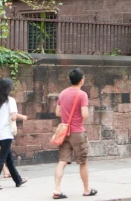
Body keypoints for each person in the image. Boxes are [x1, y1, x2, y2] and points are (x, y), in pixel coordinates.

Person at [52, 68, 97, 199]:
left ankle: (56, 189)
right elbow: (85, 114)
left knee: (62, 161)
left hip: (64, 132)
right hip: (77, 132)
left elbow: (58, 113)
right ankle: (87, 190)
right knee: (83, 162)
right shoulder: (82, 94)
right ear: (81, 80)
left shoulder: (63, 93)